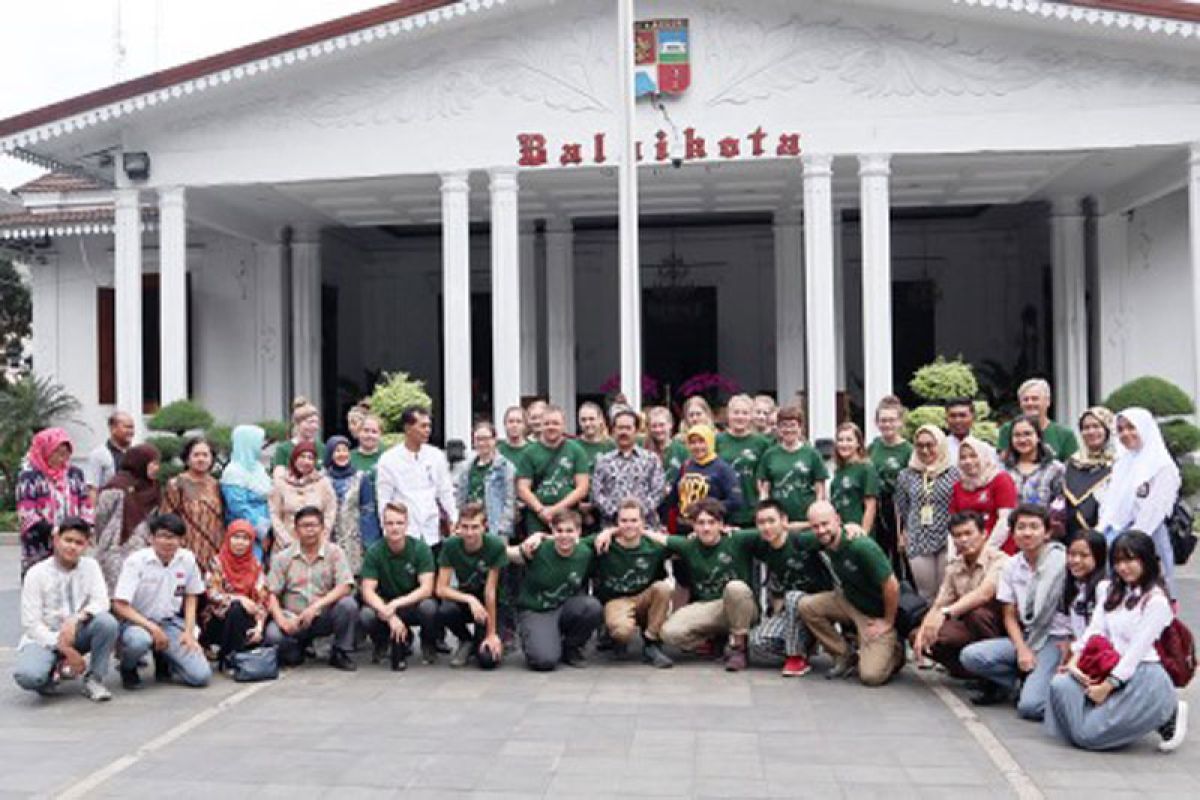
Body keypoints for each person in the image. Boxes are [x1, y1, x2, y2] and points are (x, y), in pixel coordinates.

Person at [1046, 531, 1187, 752]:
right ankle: (1105, 725)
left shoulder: (1156, 601)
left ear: (1146, 560)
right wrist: (1074, 662)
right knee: (1061, 685)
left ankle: (1166, 711)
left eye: (1131, 560)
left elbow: (1135, 653)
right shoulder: (1108, 589)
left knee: (1087, 736)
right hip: (1106, 663)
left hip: (1141, 675)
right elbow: (1095, 632)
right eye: (1118, 561)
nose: (1123, 567)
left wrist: (1107, 686)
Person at [960, 504, 1068, 718]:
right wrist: (1022, 649)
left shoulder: (1061, 563)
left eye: (1034, 527)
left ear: (1046, 533)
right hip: (1028, 635)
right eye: (1021, 527)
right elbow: (1009, 614)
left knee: (1030, 707)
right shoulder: (1012, 565)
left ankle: (1047, 687)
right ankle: (1025, 681)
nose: (1027, 532)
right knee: (971, 656)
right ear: (1013, 533)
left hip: (1055, 638)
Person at [797, 501, 904, 686]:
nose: (821, 530)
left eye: (825, 524)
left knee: (871, 676)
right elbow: (788, 536)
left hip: (874, 613)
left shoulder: (861, 546)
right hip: (848, 600)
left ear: (837, 520)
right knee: (806, 606)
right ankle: (844, 654)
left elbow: (892, 585)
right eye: (815, 526)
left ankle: (895, 651)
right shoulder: (820, 539)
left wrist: (887, 621)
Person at [13, 517, 117, 702]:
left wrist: (76, 619)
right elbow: (31, 624)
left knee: (107, 622)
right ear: (56, 540)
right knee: (28, 676)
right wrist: (64, 648)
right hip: (44, 638)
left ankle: (94, 679)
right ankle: (52, 671)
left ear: (86, 545)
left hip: (77, 632)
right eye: (68, 540)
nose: (72, 547)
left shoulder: (90, 567)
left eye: (79, 542)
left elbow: (102, 602)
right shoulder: (36, 573)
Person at [650, 499, 759, 671]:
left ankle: (739, 648)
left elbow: (773, 531)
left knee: (735, 588)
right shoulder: (689, 545)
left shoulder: (737, 539)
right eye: (700, 523)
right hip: (709, 608)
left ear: (721, 525)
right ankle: (715, 640)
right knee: (669, 633)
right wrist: (615, 531)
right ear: (693, 525)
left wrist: (811, 526)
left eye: (711, 522)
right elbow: (661, 539)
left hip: (741, 606)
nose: (706, 528)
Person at [112, 513, 212, 689]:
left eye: (173, 537)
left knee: (200, 676)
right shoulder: (137, 561)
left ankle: (165, 658)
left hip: (169, 622)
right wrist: (153, 629)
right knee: (138, 641)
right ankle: (128, 668)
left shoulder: (187, 559)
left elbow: (191, 595)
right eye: (162, 536)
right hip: (137, 623)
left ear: (181, 540)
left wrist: (188, 632)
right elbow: (119, 604)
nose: (168, 542)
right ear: (151, 538)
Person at [1096, 407, 1181, 597]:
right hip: (1115, 540)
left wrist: (1129, 545)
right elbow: (1110, 504)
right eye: (1121, 429)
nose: (1126, 433)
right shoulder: (1122, 463)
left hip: (1146, 542)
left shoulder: (1162, 467)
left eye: (1131, 427)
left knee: (1148, 600)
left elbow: (1154, 512)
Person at [913, 511, 1009, 677]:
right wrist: (924, 629)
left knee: (978, 614)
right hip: (968, 626)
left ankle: (997, 674)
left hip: (999, 627)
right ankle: (969, 672)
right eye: (957, 535)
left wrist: (946, 613)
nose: (963, 540)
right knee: (921, 637)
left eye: (968, 533)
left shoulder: (1001, 561)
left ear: (984, 534)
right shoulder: (954, 567)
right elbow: (939, 603)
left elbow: (984, 594)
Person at [264, 505, 358, 670]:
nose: (310, 530)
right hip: (293, 617)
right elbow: (271, 594)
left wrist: (316, 607)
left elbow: (345, 586)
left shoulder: (335, 552)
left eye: (314, 525)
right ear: (296, 529)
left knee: (348, 605)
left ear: (322, 528)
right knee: (273, 636)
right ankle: (297, 647)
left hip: (323, 615)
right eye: (304, 526)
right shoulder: (282, 558)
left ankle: (340, 651)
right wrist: (282, 621)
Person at [746, 499, 833, 677]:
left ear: (784, 521)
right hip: (792, 613)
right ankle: (804, 647)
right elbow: (731, 535)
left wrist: (852, 527)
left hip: (820, 607)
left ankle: (796, 658)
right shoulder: (765, 546)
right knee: (756, 641)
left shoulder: (803, 540)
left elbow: (832, 532)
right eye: (761, 523)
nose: (766, 527)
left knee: (793, 596)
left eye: (771, 521)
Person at [514, 509, 603, 671]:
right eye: (559, 531)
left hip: (565, 607)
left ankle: (571, 647)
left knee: (592, 607)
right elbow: (508, 553)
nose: (564, 536)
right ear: (552, 531)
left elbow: (621, 531)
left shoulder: (585, 551)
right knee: (544, 661)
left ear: (579, 532)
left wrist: (611, 531)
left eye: (569, 531)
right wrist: (536, 537)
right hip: (536, 609)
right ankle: (534, 637)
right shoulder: (536, 549)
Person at [589, 500, 673, 668]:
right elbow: (570, 541)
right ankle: (613, 635)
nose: (629, 525)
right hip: (617, 600)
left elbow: (687, 545)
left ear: (642, 522)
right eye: (624, 521)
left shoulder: (654, 546)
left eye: (634, 520)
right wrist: (608, 532)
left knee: (663, 588)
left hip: (644, 598)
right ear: (617, 523)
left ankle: (651, 643)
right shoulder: (603, 543)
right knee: (621, 632)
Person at [360, 502, 440, 670]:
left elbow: (426, 588)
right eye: (390, 523)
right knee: (366, 614)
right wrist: (389, 615)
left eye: (399, 523)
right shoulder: (374, 551)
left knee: (429, 607)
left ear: (407, 524)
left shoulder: (421, 549)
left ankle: (429, 644)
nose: (394, 528)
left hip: (412, 602)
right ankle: (381, 643)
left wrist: (396, 605)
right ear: (383, 525)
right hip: (385, 604)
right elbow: (367, 590)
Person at [434, 503, 507, 669]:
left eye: (475, 527)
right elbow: (441, 588)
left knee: (488, 660)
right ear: (458, 527)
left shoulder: (495, 546)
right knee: (445, 609)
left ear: (484, 527)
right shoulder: (451, 546)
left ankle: (494, 637)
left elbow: (490, 591)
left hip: (491, 603)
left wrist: (491, 634)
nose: (469, 532)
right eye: (465, 527)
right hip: (467, 599)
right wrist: (470, 599)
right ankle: (465, 640)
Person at [375, 406, 458, 549]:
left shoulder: (436, 455)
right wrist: (387, 531)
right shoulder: (388, 459)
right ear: (408, 428)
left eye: (429, 426)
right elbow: (384, 499)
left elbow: (445, 491)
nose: (428, 430)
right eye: (423, 426)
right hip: (403, 534)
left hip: (432, 532)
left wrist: (454, 519)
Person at [894, 425, 959, 601]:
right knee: (925, 594)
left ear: (941, 445)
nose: (925, 450)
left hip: (947, 537)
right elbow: (901, 506)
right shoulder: (906, 475)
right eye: (920, 445)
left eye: (930, 445)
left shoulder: (955, 474)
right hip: (918, 537)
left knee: (947, 592)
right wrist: (903, 532)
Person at [17, 427, 92, 579]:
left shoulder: (74, 474)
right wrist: (55, 531)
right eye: (57, 453)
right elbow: (27, 513)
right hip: (40, 546)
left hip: (72, 544)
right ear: (45, 451)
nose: (62, 459)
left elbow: (85, 504)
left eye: (66, 454)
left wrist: (85, 528)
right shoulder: (30, 476)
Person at [201, 519, 269, 669]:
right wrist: (238, 598)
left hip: (247, 618)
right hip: (218, 619)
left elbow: (262, 598)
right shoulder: (217, 562)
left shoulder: (255, 565)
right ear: (228, 538)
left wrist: (259, 627)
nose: (240, 542)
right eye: (236, 537)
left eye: (245, 538)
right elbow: (212, 592)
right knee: (236, 608)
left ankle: (236, 656)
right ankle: (231, 657)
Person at [94, 444, 162, 591]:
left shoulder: (154, 488)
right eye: (153, 463)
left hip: (145, 547)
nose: (157, 468)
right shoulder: (117, 486)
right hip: (116, 548)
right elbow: (101, 517)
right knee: (118, 591)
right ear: (140, 462)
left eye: (158, 464)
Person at [515, 405, 590, 534]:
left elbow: (582, 487)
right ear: (541, 426)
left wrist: (555, 509)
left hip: (568, 516)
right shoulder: (529, 452)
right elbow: (522, 488)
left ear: (563, 426)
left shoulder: (576, 450)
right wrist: (540, 510)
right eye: (547, 423)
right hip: (537, 518)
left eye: (556, 423)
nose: (551, 427)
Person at [591, 409, 667, 528]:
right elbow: (596, 494)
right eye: (620, 428)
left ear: (636, 431)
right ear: (613, 431)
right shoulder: (603, 461)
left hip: (646, 527)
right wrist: (618, 514)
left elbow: (658, 492)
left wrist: (636, 516)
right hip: (612, 528)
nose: (623, 432)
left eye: (628, 428)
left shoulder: (651, 459)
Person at [756, 406, 827, 530]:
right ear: (778, 428)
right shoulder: (769, 454)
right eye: (784, 425)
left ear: (800, 428)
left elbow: (820, 491)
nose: (789, 429)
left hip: (806, 522)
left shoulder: (812, 454)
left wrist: (816, 516)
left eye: (793, 425)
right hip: (777, 522)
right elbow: (764, 490)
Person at [161, 437, 225, 572]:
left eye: (205, 455)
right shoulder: (177, 484)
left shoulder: (217, 485)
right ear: (187, 458)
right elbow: (167, 519)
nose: (201, 459)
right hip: (186, 551)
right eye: (196, 455)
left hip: (214, 551)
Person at [949, 436, 1018, 552]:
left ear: (984, 456)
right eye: (963, 457)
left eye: (973, 456)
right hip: (967, 551)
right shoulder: (958, 486)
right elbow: (953, 524)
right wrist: (953, 553)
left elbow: (1005, 520)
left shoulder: (1000, 480)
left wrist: (986, 550)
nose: (968, 461)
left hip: (998, 550)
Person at [269, 441, 336, 555]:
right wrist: (287, 542)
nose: (306, 461)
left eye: (310, 458)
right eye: (302, 457)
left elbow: (330, 512)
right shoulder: (281, 483)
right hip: (286, 547)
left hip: (317, 546)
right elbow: (274, 514)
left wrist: (321, 538)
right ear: (294, 458)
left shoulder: (323, 482)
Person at [716, 394, 773, 529]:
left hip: (752, 508)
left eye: (745, 413)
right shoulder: (718, 440)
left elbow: (767, 476)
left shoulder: (762, 443)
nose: (740, 417)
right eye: (736, 412)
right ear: (728, 415)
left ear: (751, 416)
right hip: (725, 509)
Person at [868, 395, 912, 567]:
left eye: (891, 420)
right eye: (883, 420)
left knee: (899, 555)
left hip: (898, 508)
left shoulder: (908, 450)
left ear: (900, 422)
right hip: (875, 506)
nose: (887, 424)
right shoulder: (873, 447)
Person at [455, 420, 517, 540]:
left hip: (494, 526)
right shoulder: (466, 467)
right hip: (470, 526)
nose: (482, 443)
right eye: (478, 439)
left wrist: (503, 530)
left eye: (486, 439)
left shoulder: (505, 467)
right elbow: (460, 499)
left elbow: (510, 501)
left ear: (494, 440)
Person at [220, 424, 274, 561]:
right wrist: (262, 531)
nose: (261, 446)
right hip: (246, 532)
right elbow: (239, 507)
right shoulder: (234, 472)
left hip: (268, 528)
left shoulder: (258, 468)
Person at [1062, 407, 1115, 543]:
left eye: (1097, 426)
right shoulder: (1072, 462)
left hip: (1107, 535)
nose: (1091, 432)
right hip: (1071, 536)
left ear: (1107, 429)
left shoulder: (1119, 463)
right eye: (1086, 428)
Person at [671, 424, 742, 525]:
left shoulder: (722, 468)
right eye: (693, 442)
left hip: (709, 527)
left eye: (701, 441)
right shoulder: (686, 466)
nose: (697, 446)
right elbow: (674, 497)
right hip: (684, 526)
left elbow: (735, 501)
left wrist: (706, 509)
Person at [997, 378, 1079, 460]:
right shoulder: (1008, 430)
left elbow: (1073, 468)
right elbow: (1002, 463)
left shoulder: (1065, 435)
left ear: (1048, 401)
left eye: (1035, 399)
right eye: (1025, 399)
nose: (1030, 403)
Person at [1004, 415, 1066, 513]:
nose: (1022, 440)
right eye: (1017, 435)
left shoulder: (1056, 469)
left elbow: (1061, 505)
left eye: (1027, 434)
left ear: (1038, 437)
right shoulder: (1003, 469)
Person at [325, 435, 369, 574]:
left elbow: (367, 509)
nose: (342, 454)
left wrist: (369, 540)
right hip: (329, 536)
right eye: (337, 451)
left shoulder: (361, 477)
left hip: (355, 538)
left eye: (345, 450)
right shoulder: (322, 478)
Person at [830, 422, 879, 533]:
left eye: (849, 440)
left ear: (858, 443)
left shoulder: (866, 468)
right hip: (840, 531)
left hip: (858, 530)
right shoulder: (839, 471)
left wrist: (863, 533)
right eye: (840, 440)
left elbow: (870, 507)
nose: (844, 444)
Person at [1061, 530, 1107, 647]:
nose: (1076, 560)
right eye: (1072, 554)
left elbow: (1098, 631)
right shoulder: (1074, 586)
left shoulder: (1104, 588)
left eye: (1084, 555)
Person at [84, 410, 134, 499]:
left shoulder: (136, 454)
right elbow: (92, 489)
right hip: (109, 509)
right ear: (113, 429)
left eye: (132, 427)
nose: (131, 431)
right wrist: (93, 512)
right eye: (127, 427)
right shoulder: (99, 454)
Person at [271, 397, 325, 475]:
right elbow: (278, 477)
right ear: (297, 423)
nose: (314, 426)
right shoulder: (283, 449)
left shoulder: (322, 448)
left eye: (316, 423)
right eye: (310, 422)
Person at [576, 401, 616, 473]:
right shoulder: (573, 446)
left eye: (591, 419)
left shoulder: (612, 446)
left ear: (600, 420)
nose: (587, 424)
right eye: (583, 420)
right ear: (579, 422)